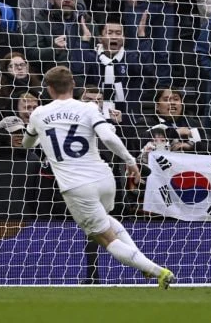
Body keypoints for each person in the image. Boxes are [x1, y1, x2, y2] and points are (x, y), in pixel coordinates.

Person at [21, 66, 175, 288]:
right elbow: (108, 137)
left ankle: (157, 271)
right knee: (106, 221)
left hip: (77, 186)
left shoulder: (38, 114)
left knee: (104, 238)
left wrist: (39, 137)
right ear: (74, 85)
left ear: (48, 89)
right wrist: (130, 161)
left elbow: (27, 144)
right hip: (104, 178)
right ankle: (142, 260)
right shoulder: (89, 108)